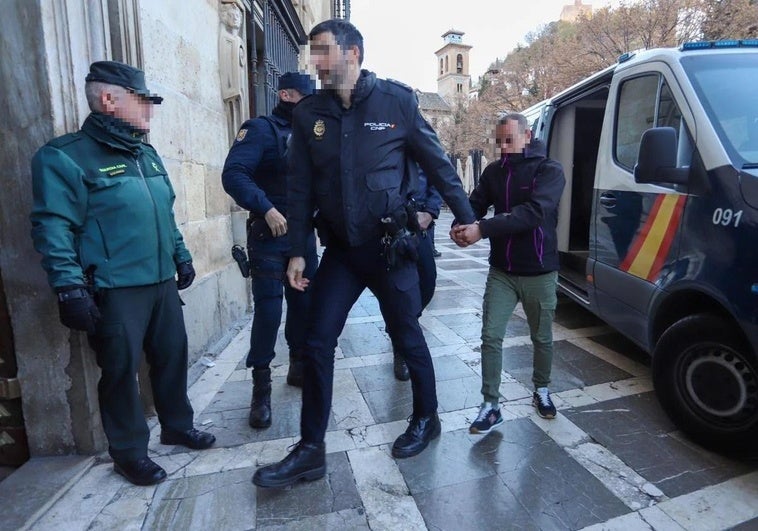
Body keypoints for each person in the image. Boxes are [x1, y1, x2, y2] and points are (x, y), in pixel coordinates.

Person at [252, 18, 476, 489]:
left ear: (352, 54)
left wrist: (466, 216)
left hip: (389, 247)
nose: (314, 61)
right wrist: (297, 250)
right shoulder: (309, 112)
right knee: (316, 342)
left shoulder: (396, 102)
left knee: (407, 335)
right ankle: (311, 449)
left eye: (322, 50)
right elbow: (300, 187)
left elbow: (438, 164)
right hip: (342, 252)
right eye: (312, 51)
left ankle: (427, 417)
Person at [29, 61, 215, 486]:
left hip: (160, 281)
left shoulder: (144, 153)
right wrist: (68, 287)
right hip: (114, 288)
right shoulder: (63, 157)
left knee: (172, 356)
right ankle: (130, 452)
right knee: (120, 371)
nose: (150, 110)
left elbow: (164, 213)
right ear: (109, 100)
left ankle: (176, 425)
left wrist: (181, 255)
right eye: (142, 101)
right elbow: (53, 225)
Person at [451, 113, 566, 433]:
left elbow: (533, 213)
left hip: (540, 271)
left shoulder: (549, 170)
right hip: (502, 270)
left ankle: (541, 389)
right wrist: (459, 225)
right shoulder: (493, 172)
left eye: (509, 140)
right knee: (490, 335)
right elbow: (474, 204)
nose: (503, 147)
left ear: (527, 136)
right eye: (499, 141)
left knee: (541, 337)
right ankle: (490, 405)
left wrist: (482, 229)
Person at [221, 72, 318, 429]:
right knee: (268, 312)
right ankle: (260, 387)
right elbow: (234, 174)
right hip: (269, 234)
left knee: (303, 306)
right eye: (305, 97)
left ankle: (297, 366)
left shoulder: (313, 133)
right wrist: (265, 207)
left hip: (303, 236)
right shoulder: (260, 130)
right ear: (286, 95)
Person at [388, 168, 442, 381]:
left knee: (428, 280)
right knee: (397, 285)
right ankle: (400, 343)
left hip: (420, 221)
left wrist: (430, 212)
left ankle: (405, 322)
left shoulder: (423, 140)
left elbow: (437, 180)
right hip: (392, 219)